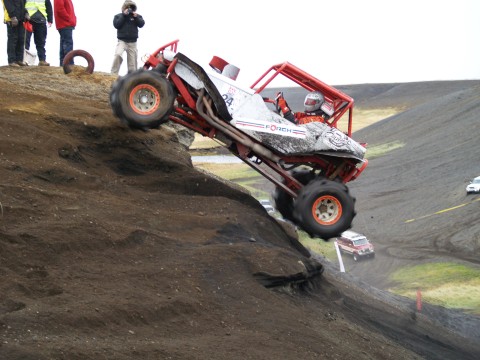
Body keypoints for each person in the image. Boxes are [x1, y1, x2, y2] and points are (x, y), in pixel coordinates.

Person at [110, 0, 145, 75]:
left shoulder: (136, 16)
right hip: (122, 41)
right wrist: (124, 15)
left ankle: (132, 78)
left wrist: (136, 17)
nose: (129, 9)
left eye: (131, 8)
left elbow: (142, 24)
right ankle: (113, 74)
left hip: (133, 43)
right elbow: (116, 25)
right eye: (127, 7)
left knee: (132, 64)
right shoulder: (118, 16)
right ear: (123, 8)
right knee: (118, 55)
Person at [24, 0, 53, 66]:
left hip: (41, 20)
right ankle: (24, 59)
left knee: (41, 42)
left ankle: (42, 60)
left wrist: (50, 20)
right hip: (28, 20)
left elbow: (48, 6)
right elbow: (21, 4)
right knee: (25, 41)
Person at [2, 0, 28, 66]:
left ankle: (19, 59)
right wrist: (12, 16)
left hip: (20, 18)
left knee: (20, 39)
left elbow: (23, 2)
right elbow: (8, 4)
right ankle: (12, 60)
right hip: (11, 19)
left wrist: (26, 13)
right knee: (13, 39)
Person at [53, 0, 76, 66]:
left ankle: (63, 64)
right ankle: (69, 63)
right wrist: (69, 19)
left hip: (66, 24)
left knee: (64, 43)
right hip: (65, 24)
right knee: (68, 43)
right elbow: (60, 9)